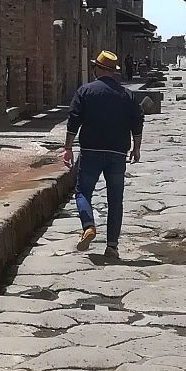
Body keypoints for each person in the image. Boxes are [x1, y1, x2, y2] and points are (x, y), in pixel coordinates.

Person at [62, 50, 145, 260]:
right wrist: (136, 147)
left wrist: (68, 147)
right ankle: (112, 247)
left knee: (82, 192)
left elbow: (74, 120)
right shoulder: (127, 95)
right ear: (114, 72)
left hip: (91, 151)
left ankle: (88, 226)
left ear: (98, 69)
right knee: (115, 200)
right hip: (118, 153)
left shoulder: (85, 91)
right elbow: (137, 121)